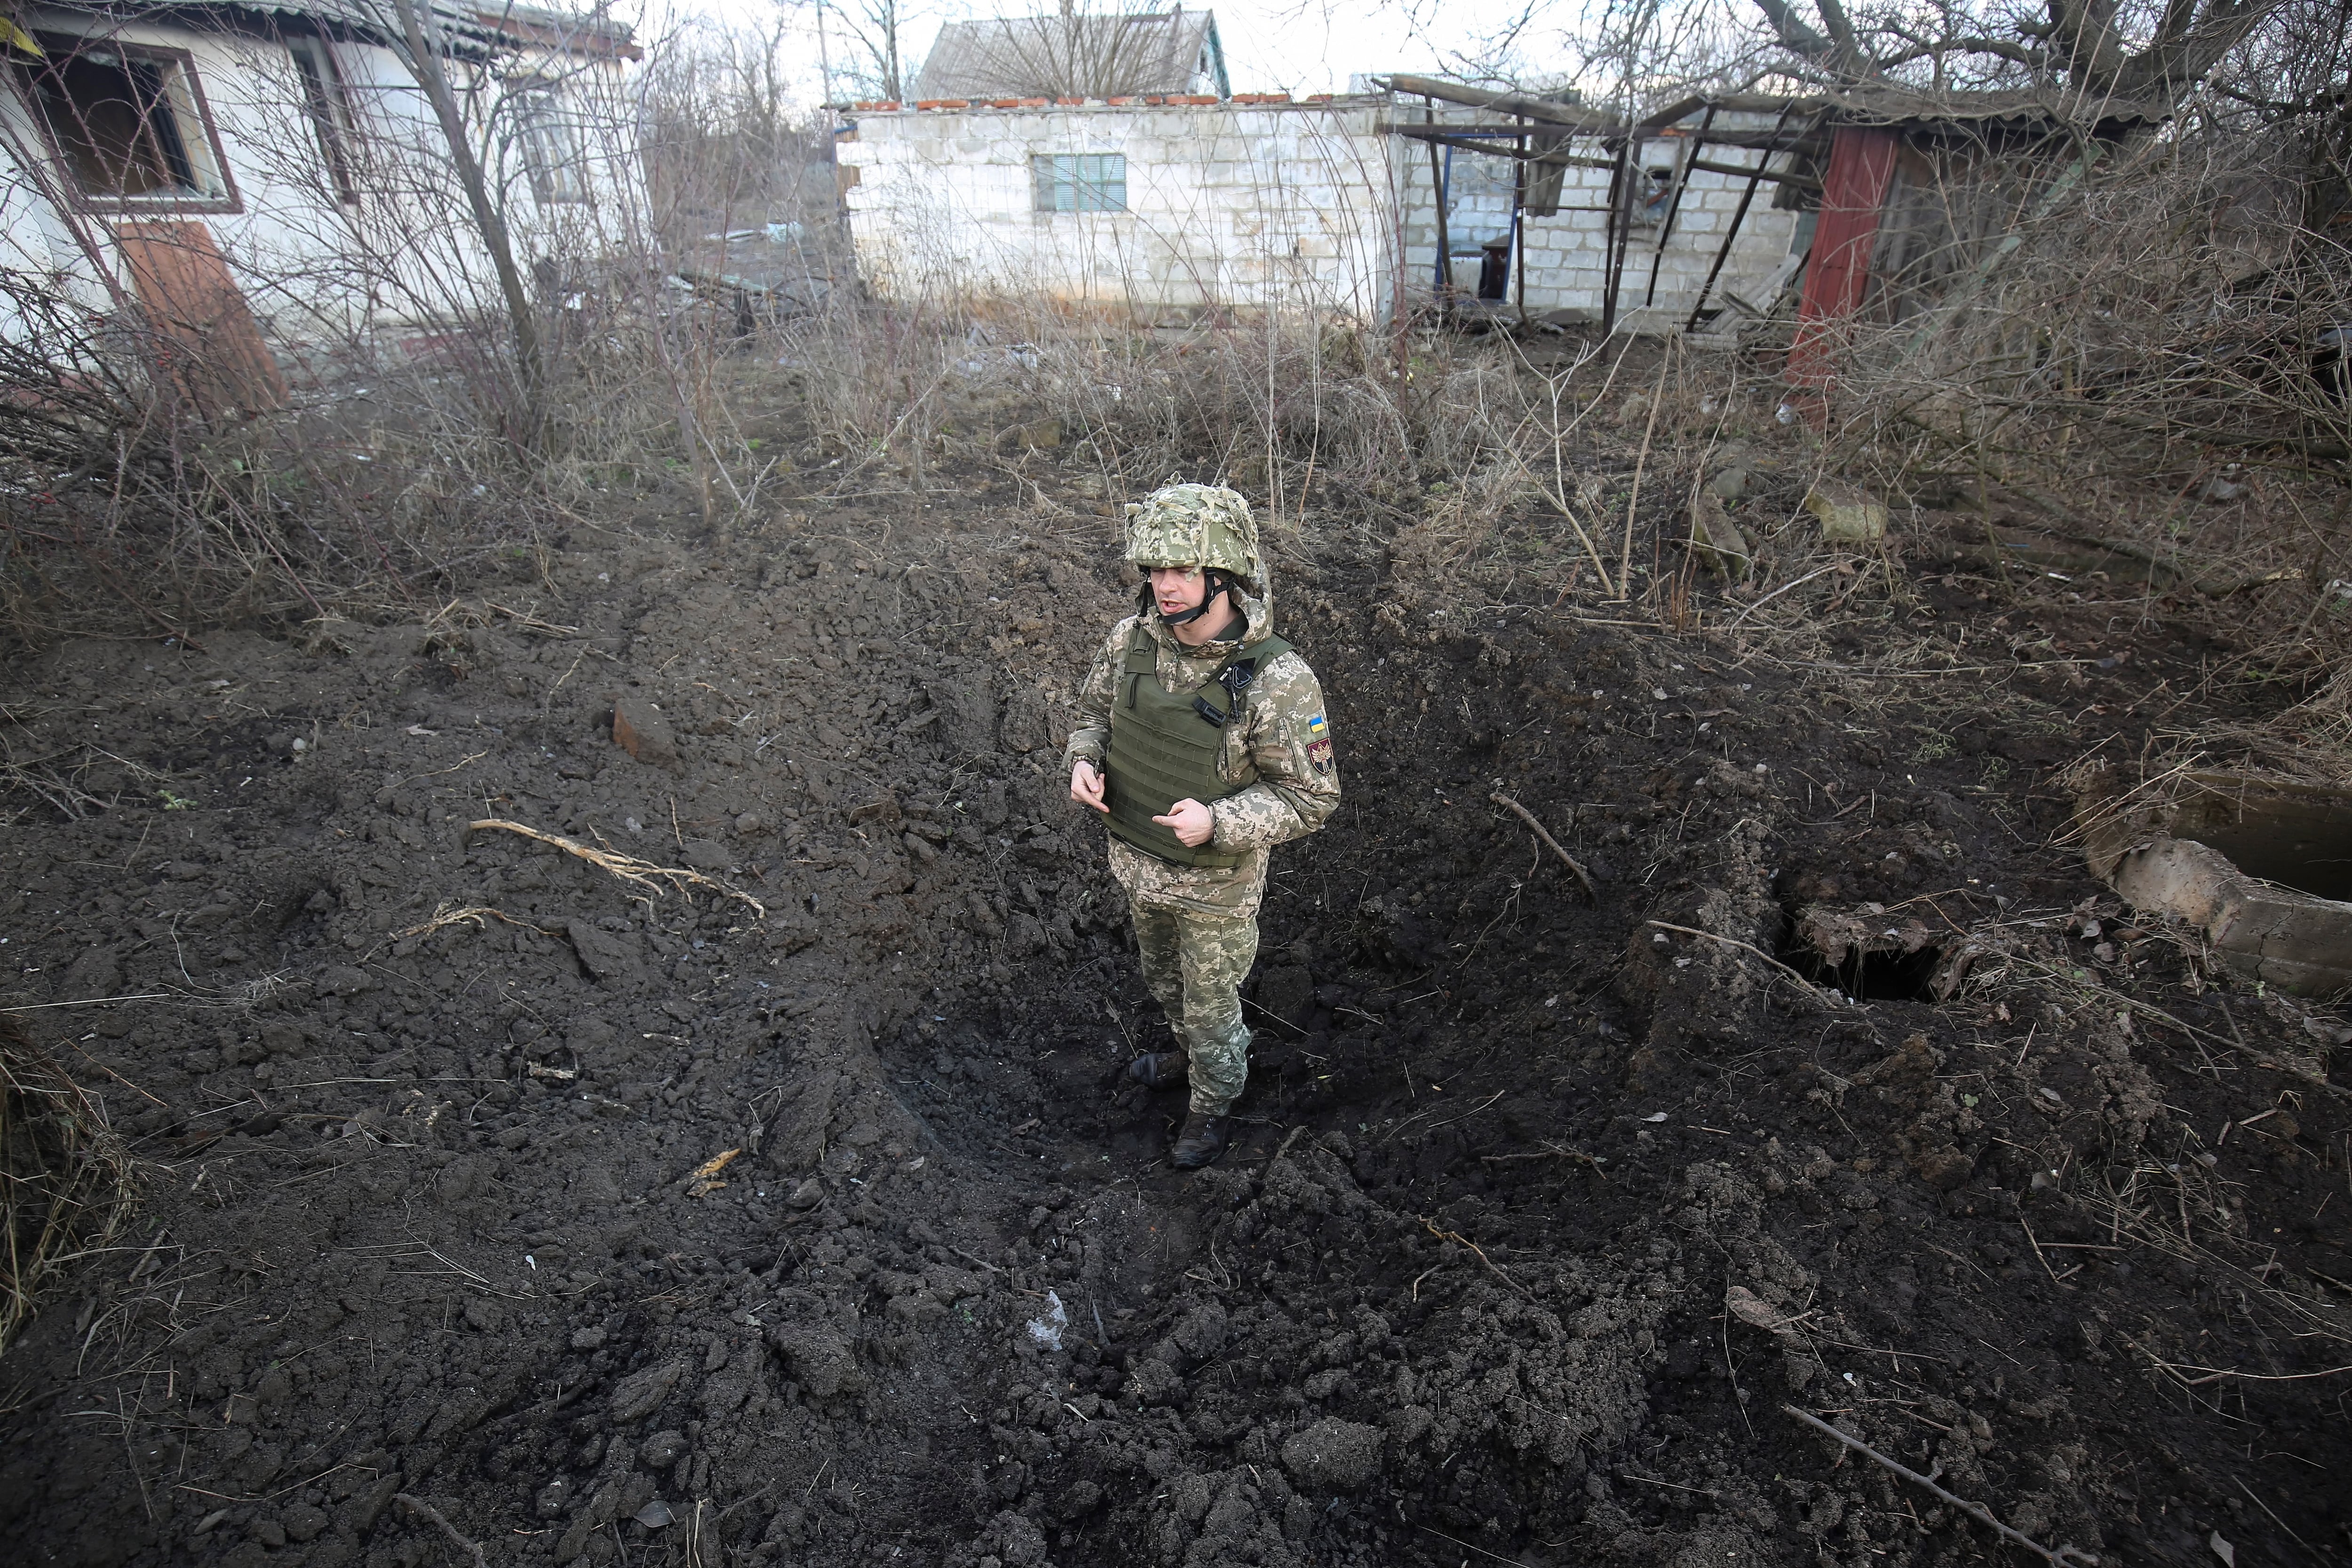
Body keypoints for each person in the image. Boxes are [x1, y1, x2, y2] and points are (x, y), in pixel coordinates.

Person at [1064, 484, 1340, 1169]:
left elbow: (1312, 797)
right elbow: (1093, 715)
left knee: (1213, 1006)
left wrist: (1219, 819)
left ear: (1224, 576)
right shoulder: (1132, 640)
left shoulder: (1279, 680)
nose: (1167, 586)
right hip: (1138, 863)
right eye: (1156, 570)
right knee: (1163, 981)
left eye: (1184, 570)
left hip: (1216, 888)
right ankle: (1185, 1058)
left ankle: (1213, 1104)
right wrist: (1084, 759)